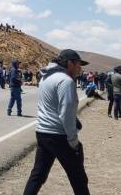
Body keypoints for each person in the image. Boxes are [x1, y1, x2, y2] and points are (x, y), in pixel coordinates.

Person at [24, 49, 90, 195]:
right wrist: (73, 140)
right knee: (78, 178)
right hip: (59, 135)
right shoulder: (66, 81)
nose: (80, 69)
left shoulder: (46, 78)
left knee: (38, 175)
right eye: (78, 64)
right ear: (69, 63)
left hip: (42, 132)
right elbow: (66, 113)